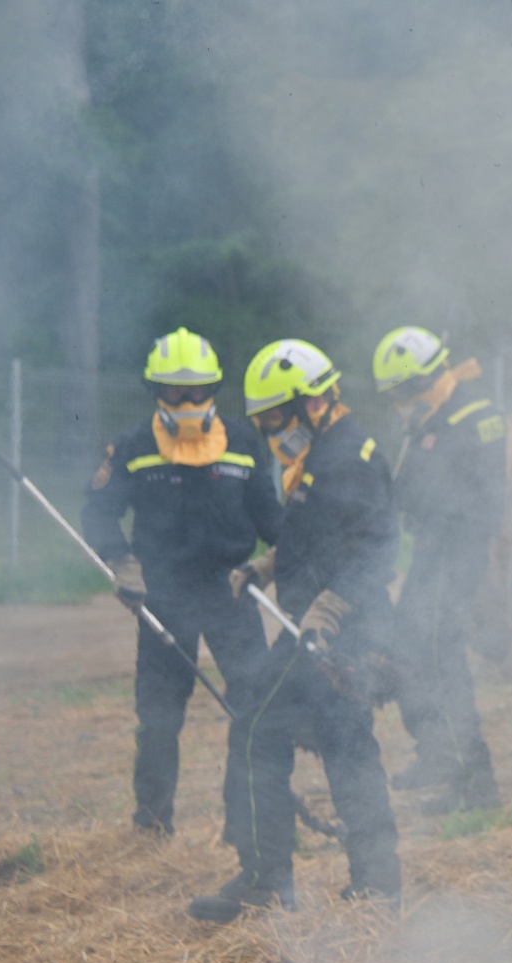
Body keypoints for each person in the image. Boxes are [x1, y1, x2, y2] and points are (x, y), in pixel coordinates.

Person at [188, 339, 401, 922]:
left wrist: (331, 608)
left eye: (276, 418)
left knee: (262, 729)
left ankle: (269, 879)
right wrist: (267, 565)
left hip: (337, 632)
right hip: (312, 629)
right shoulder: (322, 454)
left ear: (312, 402)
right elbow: (317, 539)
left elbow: (378, 548)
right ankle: (375, 883)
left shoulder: (346, 459)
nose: (270, 432)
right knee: (341, 745)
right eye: (263, 423)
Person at [82, 328, 280, 836]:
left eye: (198, 391)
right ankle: (151, 825)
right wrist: (122, 564)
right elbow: (100, 513)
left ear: (214, 388)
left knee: (254, 704)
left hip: (232, 590)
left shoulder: (242, 443)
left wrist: (275, 559)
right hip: (162, 594)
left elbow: (272, 520)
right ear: (155, 391)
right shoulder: (131, 447)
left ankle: (247, 822)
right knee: (160, 717)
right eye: (175, 391)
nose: (188, 401)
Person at [371, 326, 504, 813]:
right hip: (431, 551)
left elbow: (486, 500)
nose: (399, 402)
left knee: (440, 651)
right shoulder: (427, 419)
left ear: (424, 378)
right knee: (407, 642)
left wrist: (430, 506)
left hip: (458, 554)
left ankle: (475, 778)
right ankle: (436, 752)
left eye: (402, 391)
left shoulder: (474, 414)